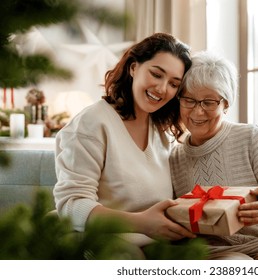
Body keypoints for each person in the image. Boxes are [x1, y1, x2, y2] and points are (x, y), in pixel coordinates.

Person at [169, 51, 258, 260]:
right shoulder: (174, 157)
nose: (197, 112)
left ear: (225, 104)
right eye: (189, 100)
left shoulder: (250, 137)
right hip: (218, 251)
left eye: (209, 102)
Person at [53, 33, 196, 243]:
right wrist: (142, 223)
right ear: (133, 68)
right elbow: (71, 206)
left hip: (160, 247)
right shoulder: (92, 124)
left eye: (174, 84)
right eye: (156, 74)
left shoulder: (162, 132)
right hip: (109, 246)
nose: (162, 89)